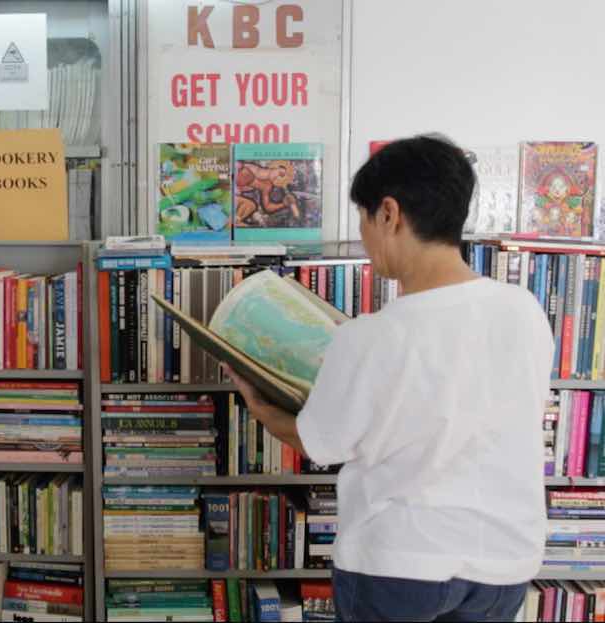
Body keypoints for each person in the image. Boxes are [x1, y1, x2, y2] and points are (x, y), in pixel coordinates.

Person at [228, 135, 553, 622]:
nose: (364, 237)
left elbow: (323, 441)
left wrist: (260, 407)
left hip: (398, 563)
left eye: (363, 219)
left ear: (389, 214)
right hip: (504, 560)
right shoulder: (525, 310)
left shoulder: (372, 337)